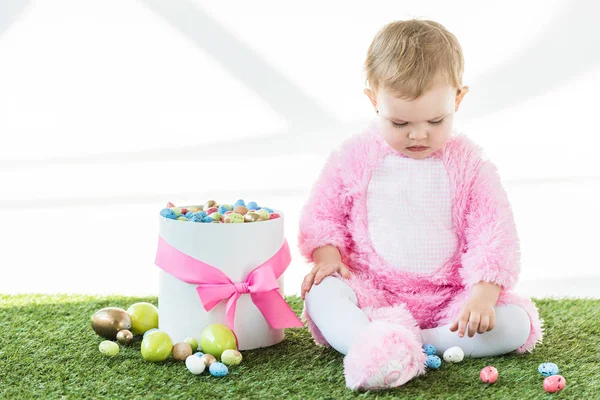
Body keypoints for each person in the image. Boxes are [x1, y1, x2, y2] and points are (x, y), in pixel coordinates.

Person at [298, 19, 543, 391]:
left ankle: (418, 344)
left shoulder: (471, 165)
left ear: (458, 99)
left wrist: (483, 295)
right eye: (399, 122)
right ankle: (372, 342)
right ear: (373, 101)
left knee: (516, 325)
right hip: (375, 295)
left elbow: (494, 232)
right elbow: (323, 213)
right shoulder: (354, 157)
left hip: (449, 301)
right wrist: (328, 256)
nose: (418, 134)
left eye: (435, 120)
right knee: (322, 293)